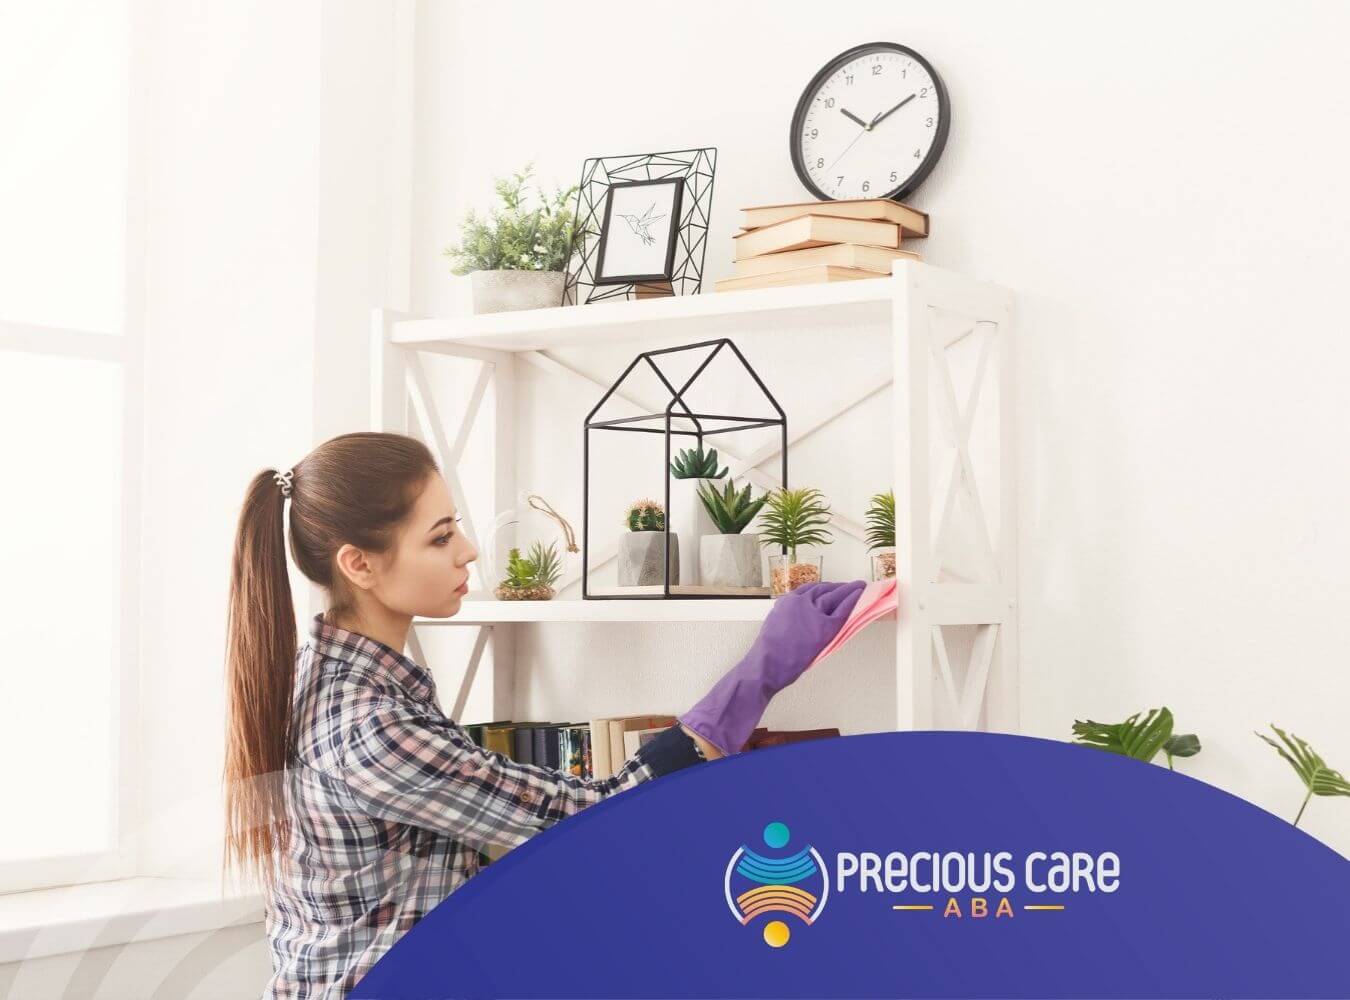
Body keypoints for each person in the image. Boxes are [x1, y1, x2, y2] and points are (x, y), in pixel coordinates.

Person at [223, 431, 862, 999]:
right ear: (358, 564)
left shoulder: (332, 681)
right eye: (441, 537)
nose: (468, 551)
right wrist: (763, 670)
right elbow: (603, 813)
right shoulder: (369, 726)